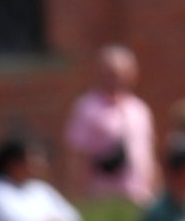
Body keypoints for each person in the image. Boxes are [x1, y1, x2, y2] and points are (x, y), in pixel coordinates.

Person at [63, 46, 157, 204]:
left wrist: (154, 191)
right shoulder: (86, 108)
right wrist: (80, 198)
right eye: (111, 73)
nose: (117, 78)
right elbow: (76, 156)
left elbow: (149, 154)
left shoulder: (139, 109)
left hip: (139, 198)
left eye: (122, 73)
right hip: (102, 198)